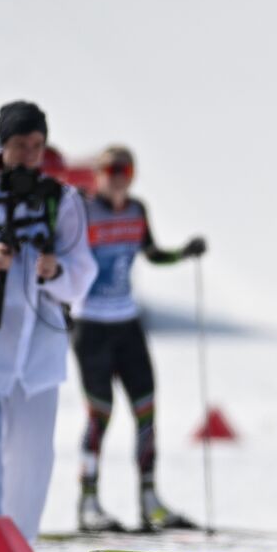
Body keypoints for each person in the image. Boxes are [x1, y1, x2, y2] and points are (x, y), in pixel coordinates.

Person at [0, 101, 98, 552]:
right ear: (1, 144)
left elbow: (83, 272)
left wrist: (56, 272)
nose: (30, 155)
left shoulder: (62, 200)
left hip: (39, 349)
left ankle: (14, 543)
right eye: (20, 146)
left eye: (37, 146)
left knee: (32, 457)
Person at [72, 146, 206, 532]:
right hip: (91, 323)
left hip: (127, 323)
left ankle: (150, 500)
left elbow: (151, 253)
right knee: (100, 414)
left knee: (146, 409)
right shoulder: (83, 211)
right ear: (97, 174)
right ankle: (89, 503)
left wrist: (183, 253)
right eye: (110, 169)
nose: (117, 176)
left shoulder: (137, 210)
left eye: (124, 169)